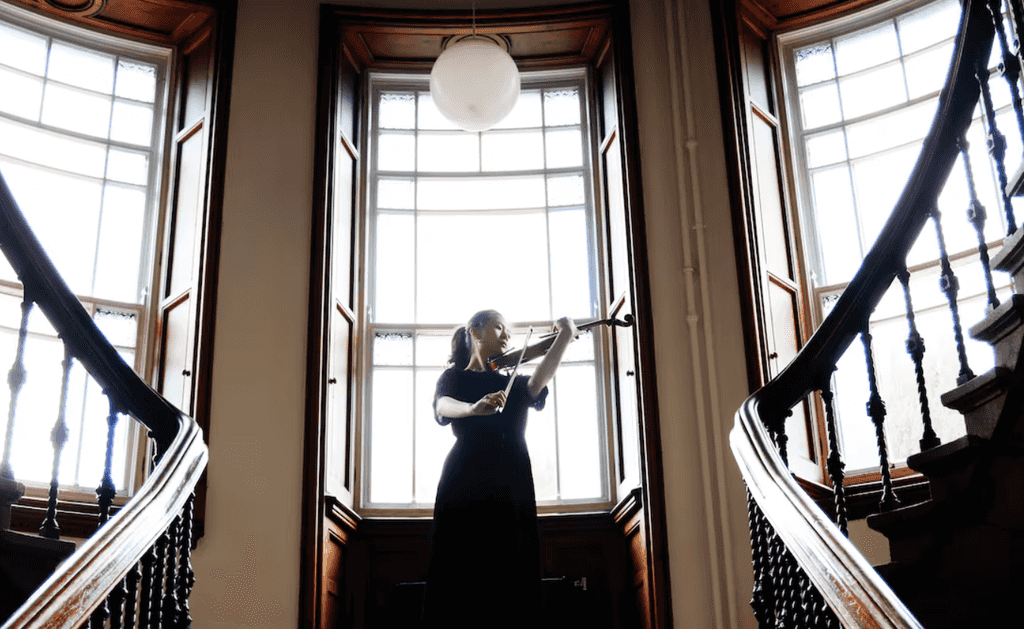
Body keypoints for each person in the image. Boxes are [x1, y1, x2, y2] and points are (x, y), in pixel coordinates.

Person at [421, 309, 577, 629]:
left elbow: (538, 381)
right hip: (464, 479)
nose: (507, 335)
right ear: (475, 332)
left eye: (508, 330)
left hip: (512, 479)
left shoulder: (513, 384)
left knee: (512, 565)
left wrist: (565, 335)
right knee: (461, 565)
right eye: (499, 327)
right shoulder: (453, 377)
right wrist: (473, 408)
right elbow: (443, 405)